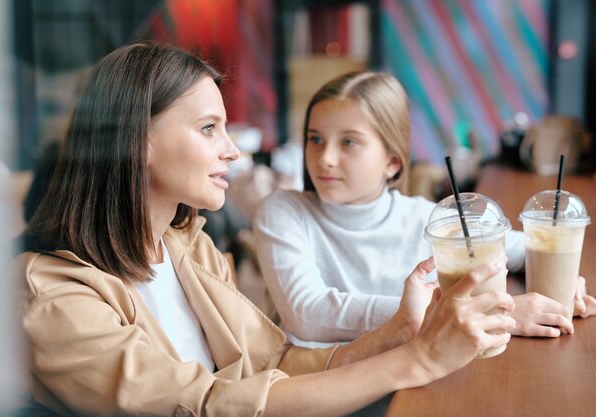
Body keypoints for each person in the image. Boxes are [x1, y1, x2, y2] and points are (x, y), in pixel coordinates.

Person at [12, 41, 519, 417]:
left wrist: (400, 334)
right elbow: (208, 406)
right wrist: (419, 359)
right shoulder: (50, 293)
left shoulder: (189, 247)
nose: (232, 150)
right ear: (136, 139)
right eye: (210, 128)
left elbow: (273, 361)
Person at [253, 71, 596, 348]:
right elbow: (307, 313)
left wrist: (563, 285)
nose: (324, 158)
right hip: (325, 388)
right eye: (315, 139)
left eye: (348, 141)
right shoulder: (284, 210)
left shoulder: (424, 217)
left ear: (391, 161)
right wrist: (481, 311)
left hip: (412, 374)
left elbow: (522, 246)